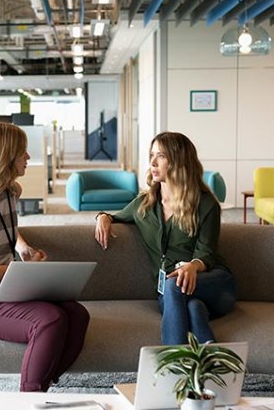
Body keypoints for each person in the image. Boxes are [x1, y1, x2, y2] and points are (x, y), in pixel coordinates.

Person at [0, 122, 90, 392]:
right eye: (22, 151)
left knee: (77, 314)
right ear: (3, 156)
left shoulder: (10, 192)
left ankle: (43, 379)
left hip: (1, 286)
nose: (29, 157)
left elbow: (5, 227)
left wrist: (21, 246)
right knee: (50, 319)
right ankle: (30, 397)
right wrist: (29, 273)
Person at [94, 132, 235, 345]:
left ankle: (171, 365)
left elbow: (206, 253)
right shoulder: (144, 204)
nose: (152, 162)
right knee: (194, 308)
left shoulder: (206, 205)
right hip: (169, 293)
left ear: (178, 161)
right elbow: (115, 215)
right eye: (152, 155)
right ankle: (212, 369)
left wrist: (193, 266)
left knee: (174, 285)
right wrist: (102, 217)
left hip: (212, 284)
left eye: (160, 156)